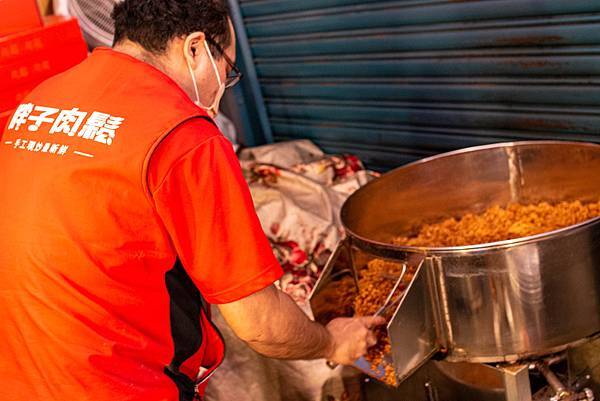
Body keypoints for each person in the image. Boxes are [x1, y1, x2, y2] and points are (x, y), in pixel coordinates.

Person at [0, 1, 384, 400]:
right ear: (196, 47)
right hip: (114, 384)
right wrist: (331, 342)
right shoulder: (182, 135)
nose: (222, 86)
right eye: (228, 69)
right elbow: (261, 325)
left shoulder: (42, 100)